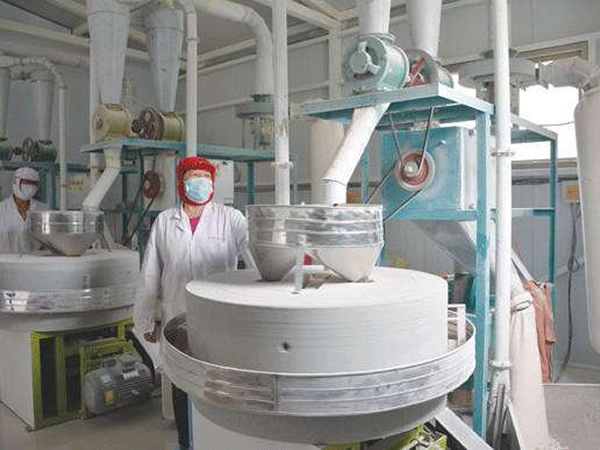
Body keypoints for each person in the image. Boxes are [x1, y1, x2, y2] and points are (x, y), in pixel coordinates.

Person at [134, 157, 248, 450]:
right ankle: (186, 443)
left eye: (205, 176)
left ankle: (218, 442)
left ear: (213, 182)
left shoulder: (231, 218)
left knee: (217, 383)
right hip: (177, 317)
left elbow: (254, 251)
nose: (200, 182)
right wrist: (145, 320)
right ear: (181, 182)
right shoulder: (164, 221)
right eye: (193, 176)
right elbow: (150, 274)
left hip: (220, 319)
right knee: (183, 383)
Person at [0, 167, 47, 254]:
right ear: (16, 183)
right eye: (26, 182)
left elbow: (48, 241)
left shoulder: (43, 210)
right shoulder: (2, 209)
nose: (30, 186)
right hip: (5, 260)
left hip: (33, 260)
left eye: (34, 183)